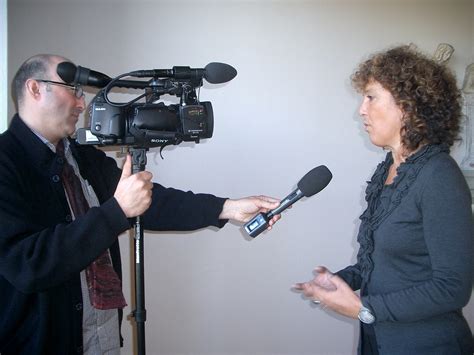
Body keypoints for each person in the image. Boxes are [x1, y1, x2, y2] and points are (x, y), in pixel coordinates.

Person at [0, 54, 281, 355]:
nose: (82, 104)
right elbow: (28, 264)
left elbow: (149, 202)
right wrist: (117, 211)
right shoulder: (5, 162)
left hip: (102, 339)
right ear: (34, 89)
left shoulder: (79, 155)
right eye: (74, 91)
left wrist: (226, 207)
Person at [294, 45, 473, 354]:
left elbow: (453, 289)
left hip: (429, 345)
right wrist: (340, 283)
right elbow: (378, 263)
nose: (361, 110)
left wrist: (364, 309)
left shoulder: (439, 176)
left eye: (371, 97)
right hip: (378, 339)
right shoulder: (388, 171)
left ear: (408, 106)